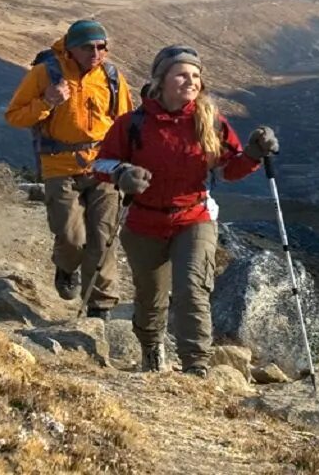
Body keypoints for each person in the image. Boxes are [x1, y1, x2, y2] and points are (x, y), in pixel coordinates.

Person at [94, 44, 278, 374]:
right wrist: (122, 173)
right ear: (160, 80)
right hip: (144, 223)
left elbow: (229, 169)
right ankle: (151, 349)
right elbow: (101, 163)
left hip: (195, 217)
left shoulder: (211, 122)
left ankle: (196, 365)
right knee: (150, 297)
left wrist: (252, 153)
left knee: (192, 289)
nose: (190, 81)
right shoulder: (132, 124)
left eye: (196, 75)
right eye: (181, 74)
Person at [3, 19, 134, 316]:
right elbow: (14, 116)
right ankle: (65, 266)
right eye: (89, 47)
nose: (96, 53)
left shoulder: (111, 76)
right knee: (72, 237)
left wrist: (128, 163)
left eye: (102, 47)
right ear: (71, 48)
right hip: (59, 165)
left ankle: (98, 308)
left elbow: (125, 123)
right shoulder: (45, 74)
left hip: (104, 166)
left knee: (103, 237)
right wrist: (47, 102)